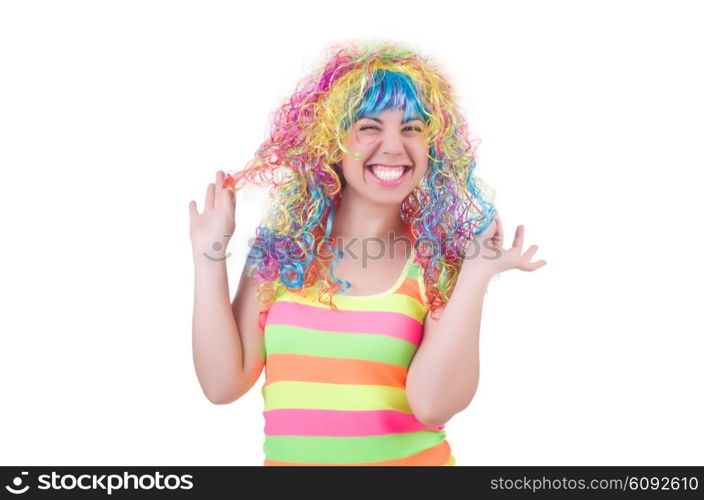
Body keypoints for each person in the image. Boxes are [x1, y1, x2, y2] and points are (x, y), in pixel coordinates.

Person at [189, 40, 547, 466]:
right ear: (331, 141)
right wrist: (208, 254)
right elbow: (221, 384)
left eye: (412, 128)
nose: (394, 146)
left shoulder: (437, 264)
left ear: (433, 145)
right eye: (370, 127)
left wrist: (475, 277)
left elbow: (433, 405)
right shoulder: (281, 254)